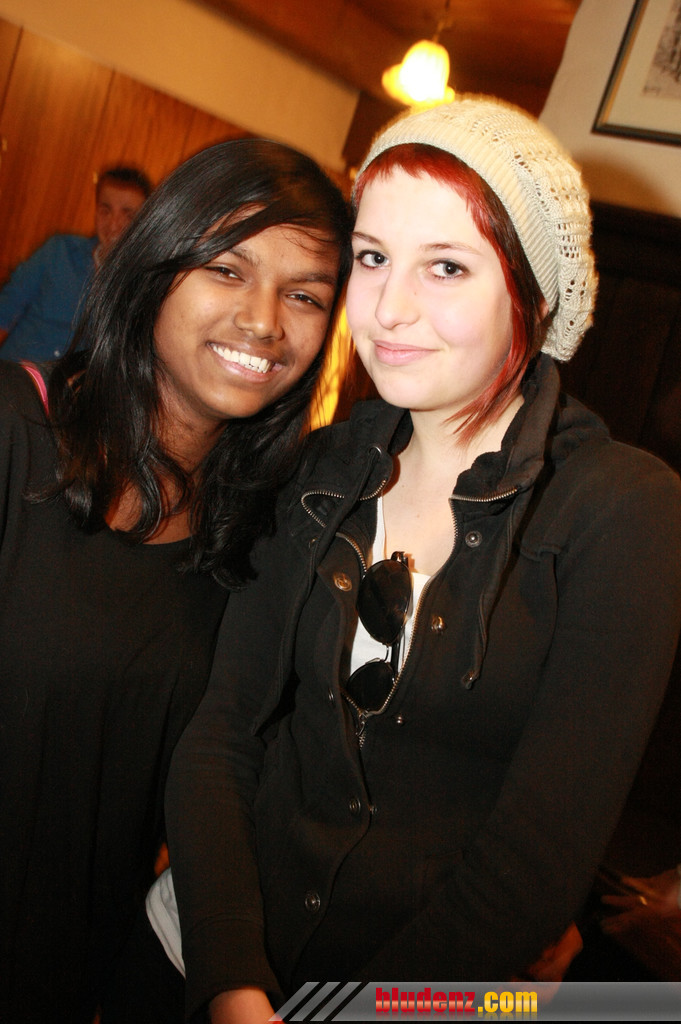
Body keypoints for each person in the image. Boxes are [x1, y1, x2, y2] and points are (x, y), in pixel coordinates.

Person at [163, 98, 681, 1022]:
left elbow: (534, 861)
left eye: (445, 266)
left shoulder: (621, 511)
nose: (388, 309)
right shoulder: (321, 465)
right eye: (371, 258)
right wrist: (230, 981)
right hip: (198, 962)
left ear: (534, 296)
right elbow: (222, 730)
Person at [0, 137, 351, 1024]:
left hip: (66, 977)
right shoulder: (13, 432)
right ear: (153, 268)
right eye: (227, 270)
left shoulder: (268, 535)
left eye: (304, 294)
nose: (264, 321)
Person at [0, 165, 152, 361]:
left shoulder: (141, 288)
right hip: (14, 368)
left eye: (128, 215)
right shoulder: (58, 251)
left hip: (64, 379)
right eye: (105, 211)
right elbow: (6, 310)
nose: (113, 225)